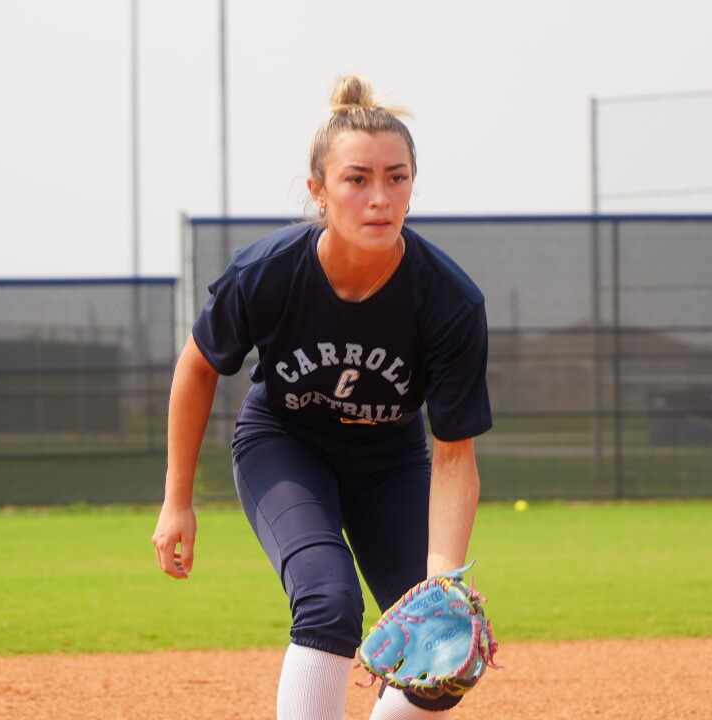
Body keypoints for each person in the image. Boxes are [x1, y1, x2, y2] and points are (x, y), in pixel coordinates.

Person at [152, 75, 492, 720]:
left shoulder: (449, 302)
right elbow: (197, 369)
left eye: (397, 177)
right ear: (318, 191)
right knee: (329, 600)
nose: (379, 197)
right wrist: (177, 501)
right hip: (285, 443)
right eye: (357, 178)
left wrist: (442, 583)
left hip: (391, 461)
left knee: (441, 646)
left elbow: (453, 457)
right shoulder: (268, 272)